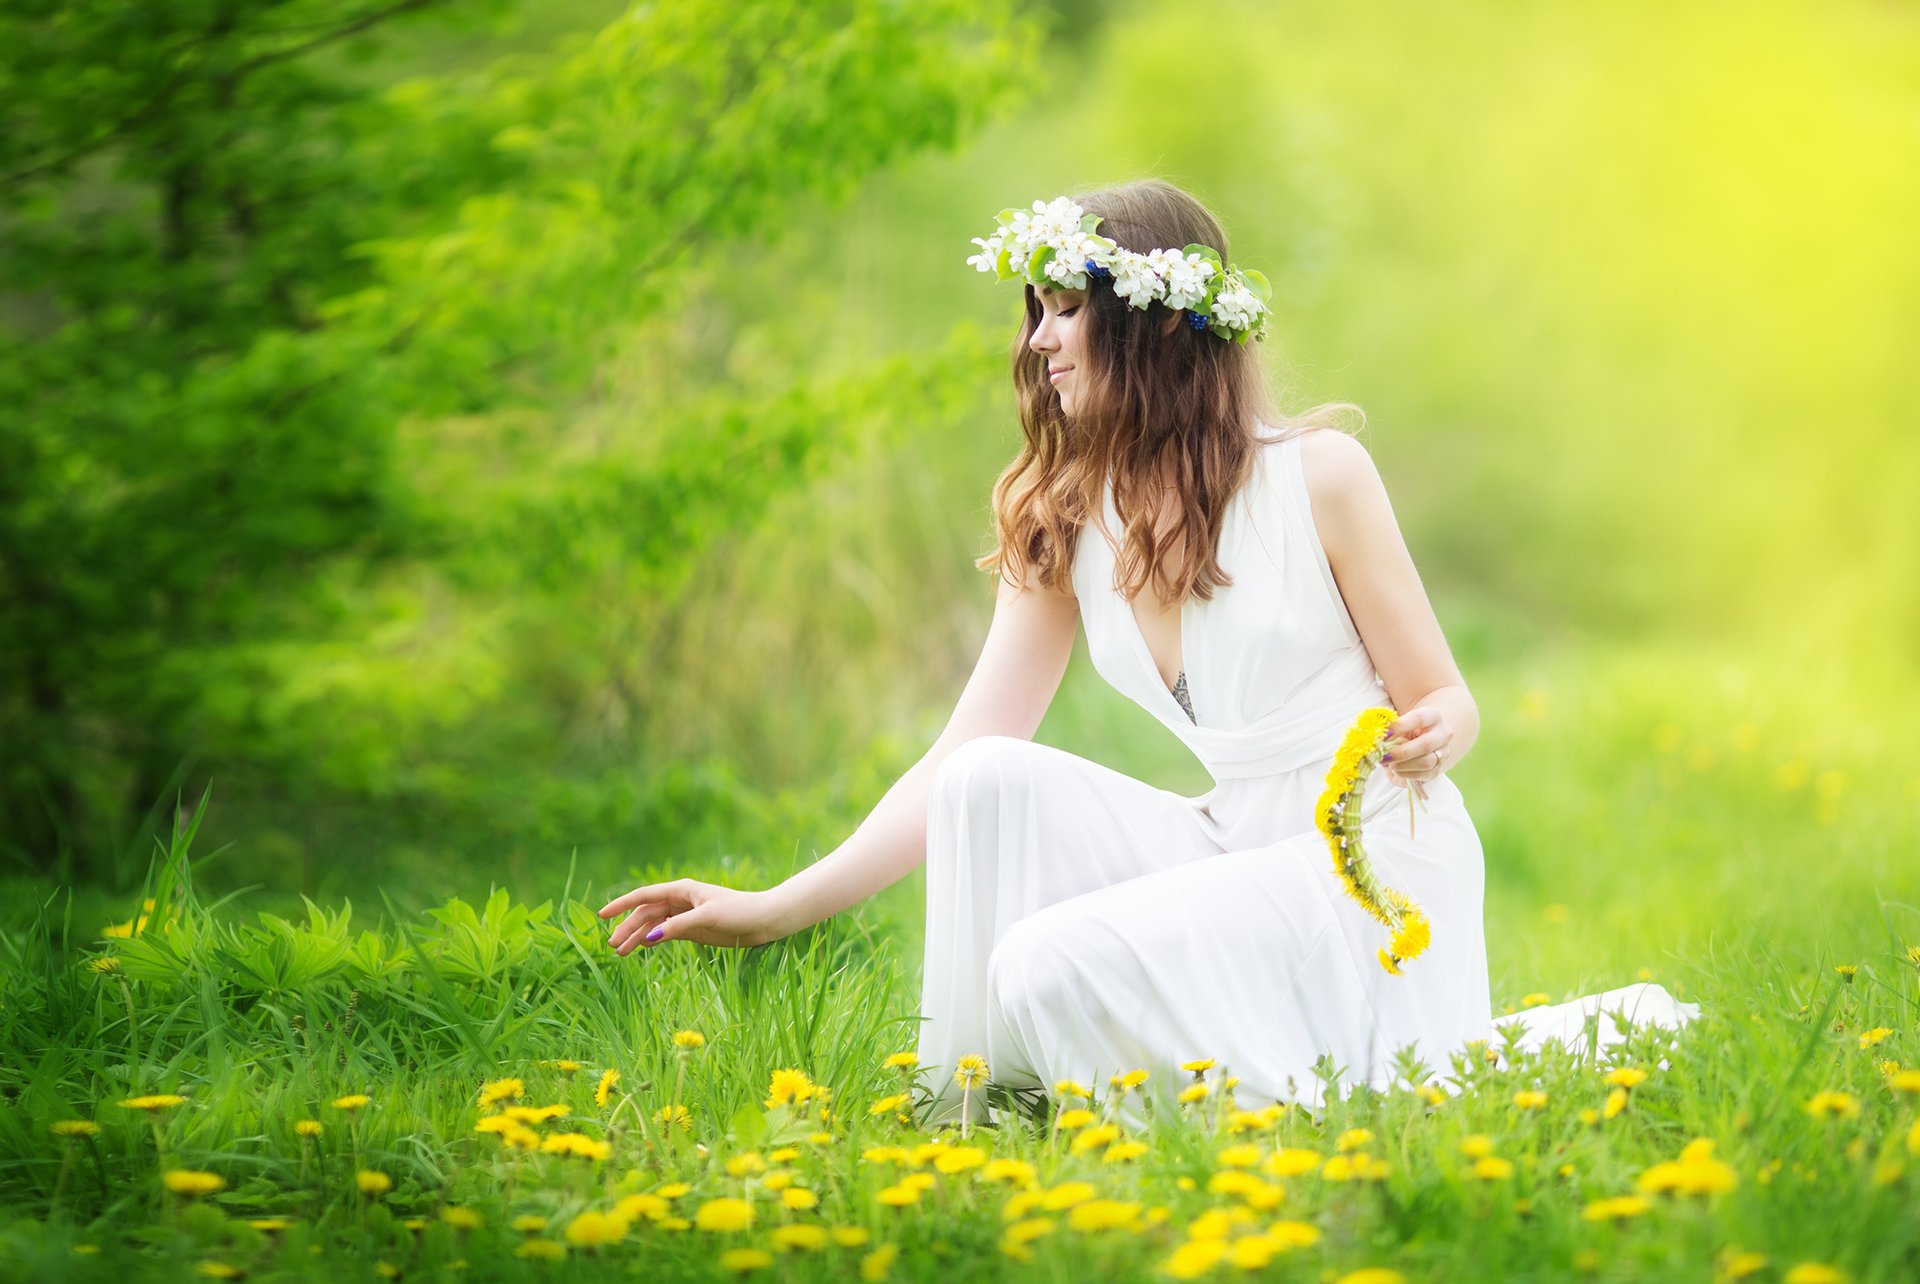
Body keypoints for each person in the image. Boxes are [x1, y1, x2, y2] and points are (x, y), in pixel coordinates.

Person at [597, 178, 1699, 1130]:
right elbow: (958, 753)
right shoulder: (1063, 512)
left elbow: (1446, 698)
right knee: (989, 779)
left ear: (1159, 325)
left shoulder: (1319, 477)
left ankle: (1262, 1098)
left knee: (1041, 964)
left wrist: (1440, 731)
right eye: (1036, 312)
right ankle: (974, 1112)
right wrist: (775, 905)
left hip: (1376, 873)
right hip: (1235, 844)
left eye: (1067, 310)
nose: (1038, 341)